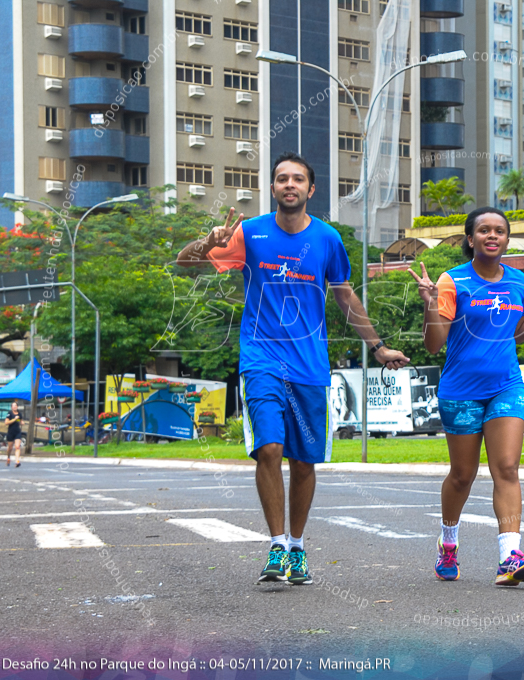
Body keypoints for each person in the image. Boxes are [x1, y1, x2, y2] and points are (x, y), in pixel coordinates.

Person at [176, 152, 408, 585]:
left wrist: (377, 346)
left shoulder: (327, 239)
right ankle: (277, 543)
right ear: (272, 188)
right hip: (261, 359)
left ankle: (298, 547)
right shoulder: (248, 233)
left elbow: (345, 298)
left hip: (309, 366)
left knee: (303, 463)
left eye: (297, 179)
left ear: (310, 189)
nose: (289, 185)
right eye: (281, 178)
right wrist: (207, 243)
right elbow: (184, 267)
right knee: (268, 448)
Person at [409, 207, 524, 586]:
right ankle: (448, 544)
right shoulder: (451, 281)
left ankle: (510, 556)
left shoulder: (517, 281)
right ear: (470, 239)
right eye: (484, 231)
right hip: (460, 390)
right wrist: (430, 303)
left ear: (507, 240)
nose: (493, 236)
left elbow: (519, 333)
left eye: (500, 231)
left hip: (505, 386)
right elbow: (432, 345)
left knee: (506, 468)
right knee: (462, 476)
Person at [5, 401, 23, 467]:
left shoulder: (19, 414)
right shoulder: (9, 414)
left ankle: (17, 461)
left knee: (17, 447)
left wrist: (21, 422)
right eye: (13, 406)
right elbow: (6, 422)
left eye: (15, 406)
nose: (14, 407)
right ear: (11, 407)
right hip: (10, 432)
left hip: (17, 432)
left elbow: (20, 421)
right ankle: (8, 457)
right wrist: (14, 419)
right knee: (10, 448)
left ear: (17, 407)